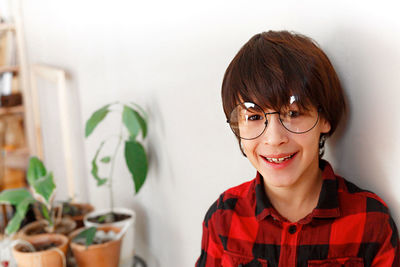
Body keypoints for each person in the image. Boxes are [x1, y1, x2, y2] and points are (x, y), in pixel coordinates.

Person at [195, 31, 400, 267]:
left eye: (292, 114)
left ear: (324, 118)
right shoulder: (223, 217)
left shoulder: (369, 221)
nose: (274, 139)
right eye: (254, 117)